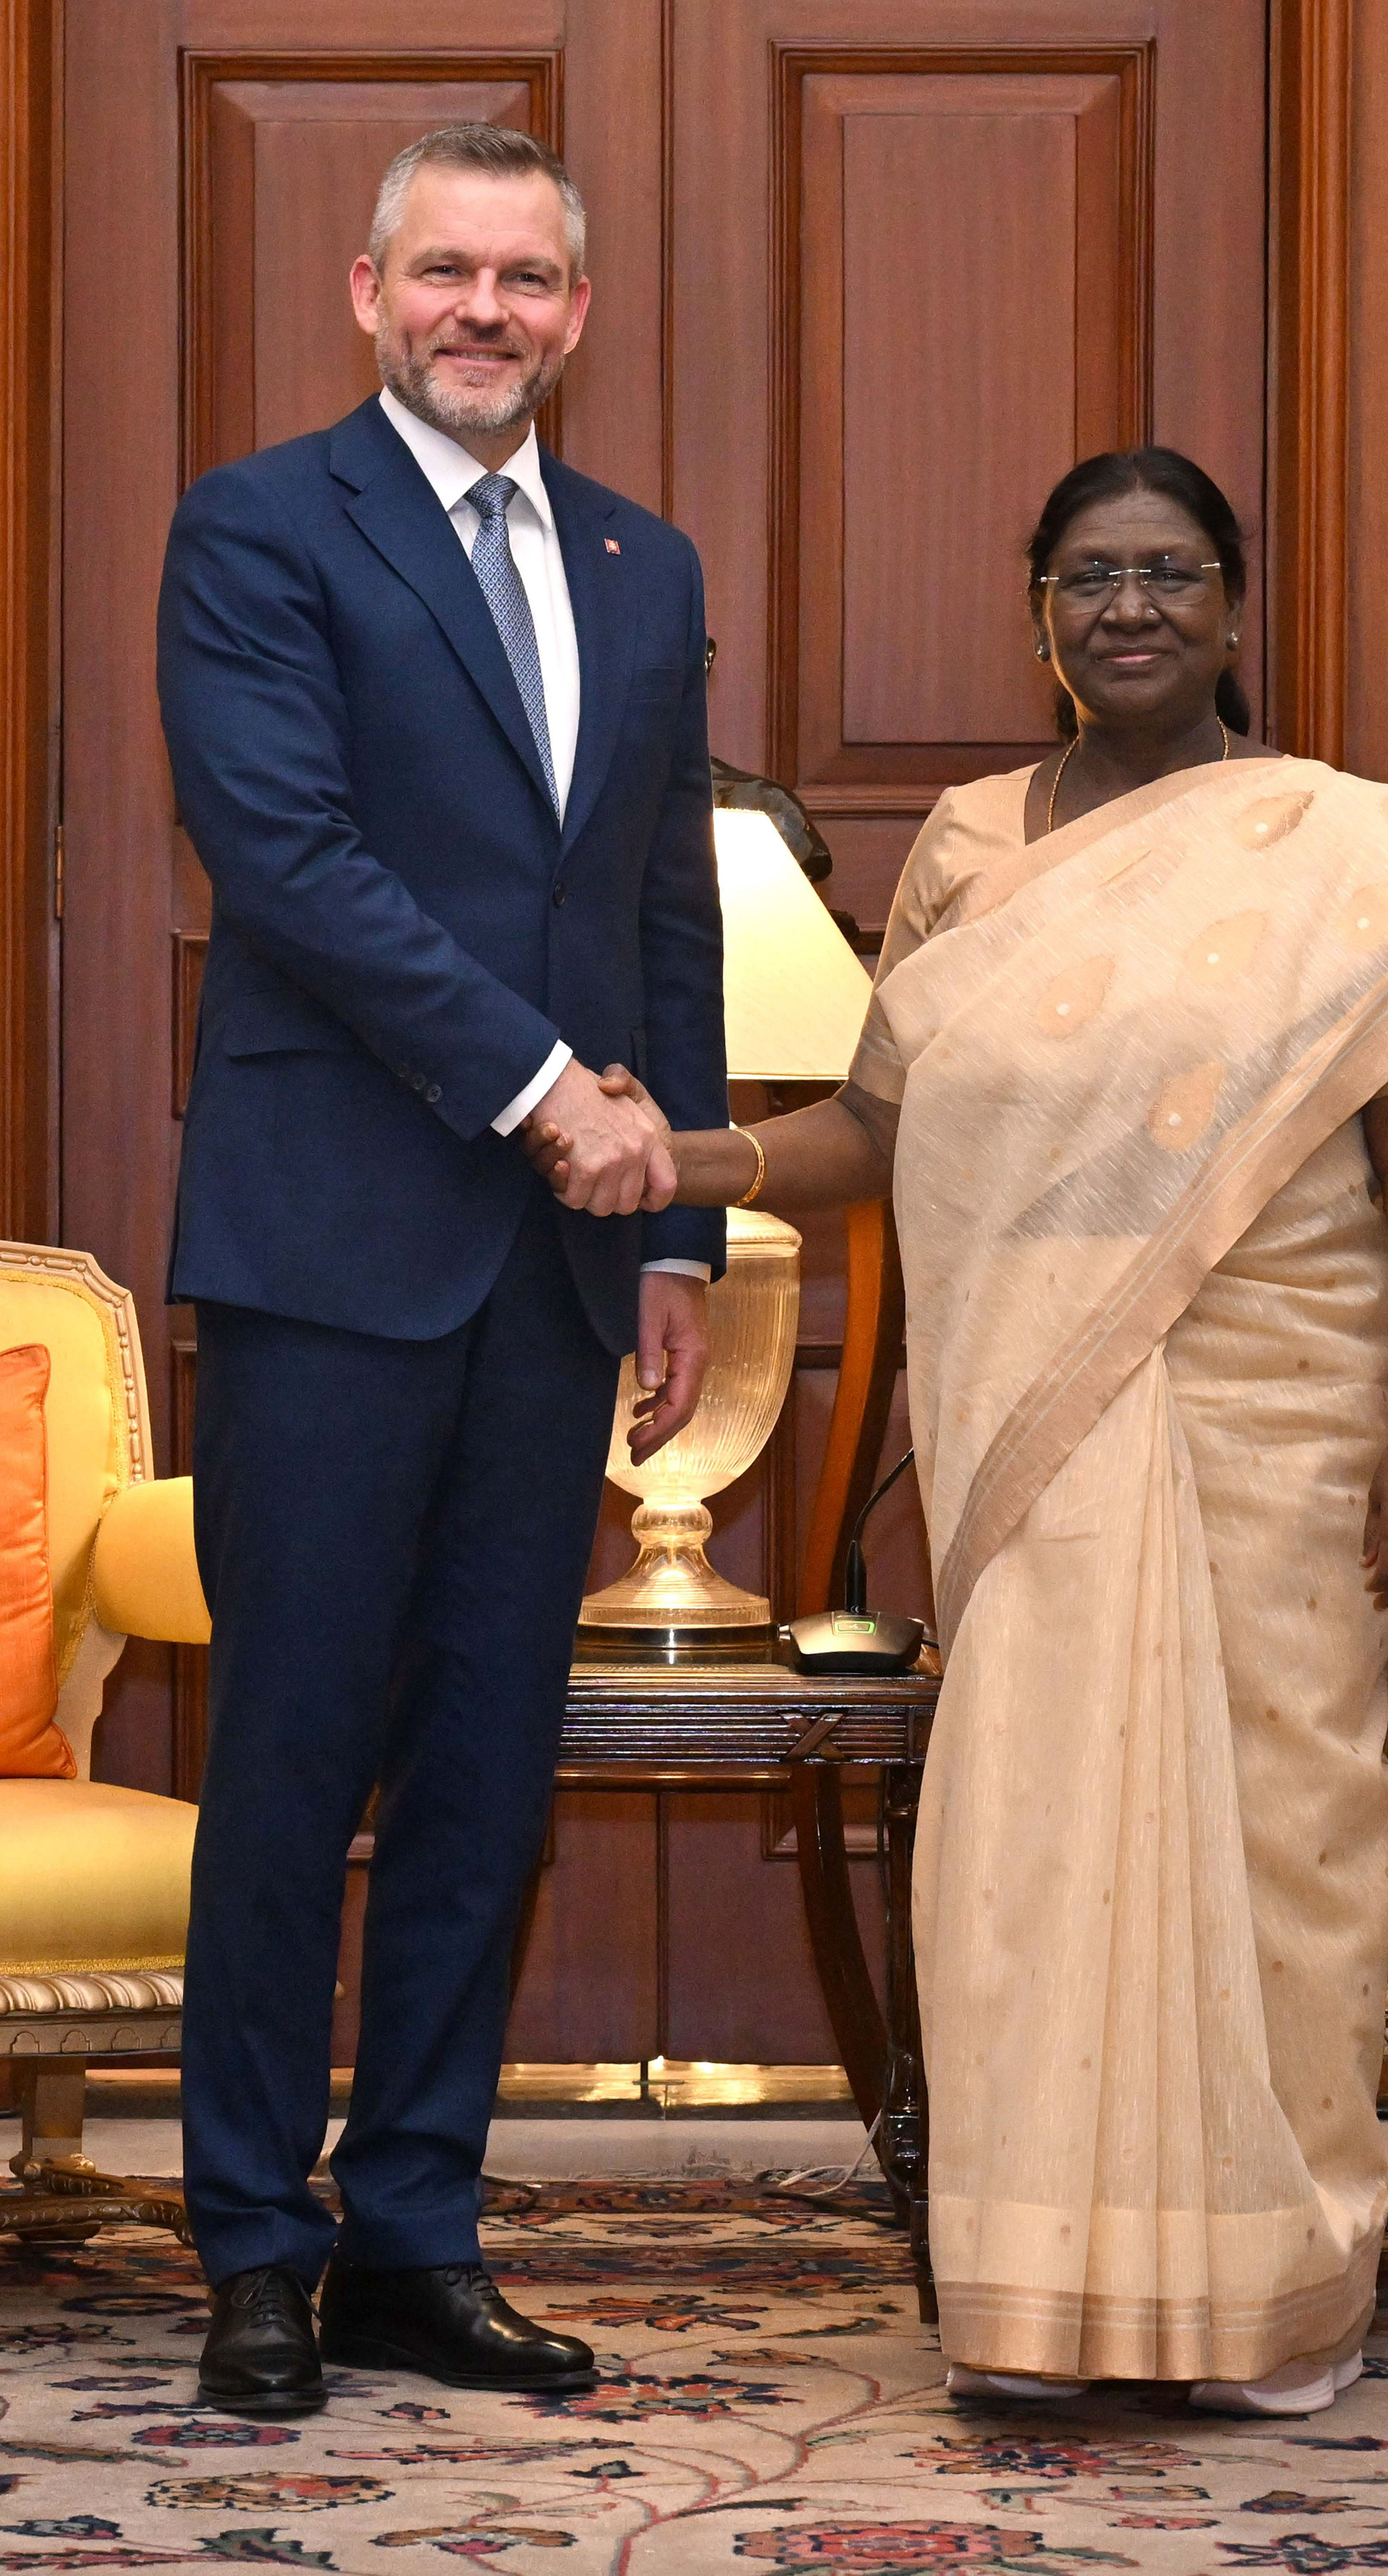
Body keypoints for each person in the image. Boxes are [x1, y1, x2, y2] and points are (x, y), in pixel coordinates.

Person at [532, 448, 1388, 2412]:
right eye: (1091, 577)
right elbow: (880, 1125)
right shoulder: (969, 847)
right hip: (1039, 1416)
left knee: (1284, 1847)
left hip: (1292, 1407)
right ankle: (1044, 2298)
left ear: (1232, 604)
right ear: (1038, 611)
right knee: (1028, 1851)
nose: (1132, 608)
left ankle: (1270, 2291)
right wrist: (681, 1158)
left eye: (1171, 572)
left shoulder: (1347, 855)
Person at [156, 122, 725, 2416]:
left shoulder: (647, 564)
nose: (484, 310)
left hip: (559, 1273)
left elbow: (665, 909)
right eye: (445, 271)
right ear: (367, 291)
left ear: (578, 311)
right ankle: (253, 2242)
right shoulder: (260, 526)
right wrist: (540, 1086)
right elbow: (286, 853)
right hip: (331, 1243)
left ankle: (416, 2232)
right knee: (293, 1754)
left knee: (488, 1773)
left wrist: (674, 1220)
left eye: (525, 278)